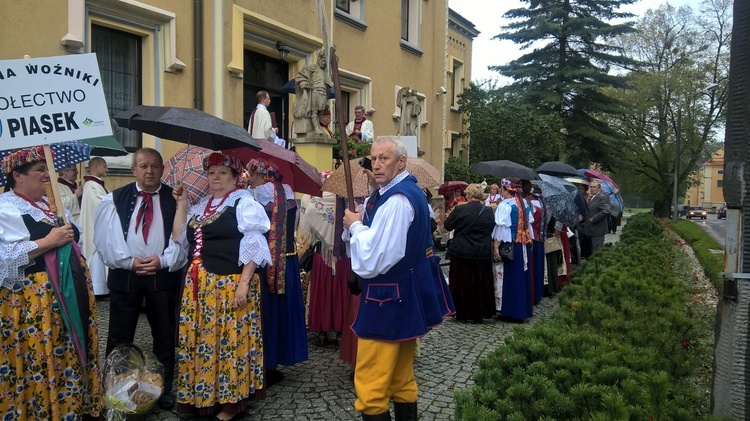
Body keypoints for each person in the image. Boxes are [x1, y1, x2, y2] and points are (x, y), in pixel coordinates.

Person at [343, 136, 455, 420]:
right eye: (373, 159)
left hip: (386, 299)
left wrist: (356, 227)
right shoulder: (400, 192)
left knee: (371, 388)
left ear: (402, 162)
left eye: (384, 159)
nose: (376, 165)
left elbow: (376, 257)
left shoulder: (397, 200)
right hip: (404, 294)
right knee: (401, 379)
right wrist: (368, 199)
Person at [0, 146, 102, 420]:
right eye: (39, 170)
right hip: (35, 302)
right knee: (43, 355)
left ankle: (71, 407)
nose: (47, 175)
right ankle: (44, 411)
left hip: (69, 292)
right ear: (17, 177)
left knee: (65, 352)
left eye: (48, 169)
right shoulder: (5, 209)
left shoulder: (49, 204)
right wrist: (48, 242)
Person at [172, 152, 271, 420]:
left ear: (236, 178)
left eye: (222, 173)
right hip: (200, 287)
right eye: (211, 173)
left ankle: (230, 402)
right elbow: (180, 238)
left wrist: (243, 285)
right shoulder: (201, 205)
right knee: (203, 341)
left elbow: (255, 244)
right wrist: (182, 203)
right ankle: (204, 395)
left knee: (229, 343)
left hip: (230, 284)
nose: (215, 178)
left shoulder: (244, 203)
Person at [93, 148, 185, 410]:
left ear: (162, 170)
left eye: (155, 166)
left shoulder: (175, 198)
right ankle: (116, 386)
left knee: (165, 334)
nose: (149, 171)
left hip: (162, 275)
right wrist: (129, 262)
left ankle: (162, 388)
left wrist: (163, 260)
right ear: (133, 170)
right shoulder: (114, 198)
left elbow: (182, 240)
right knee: (120, 335)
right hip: (126, 276)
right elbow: (104, 239)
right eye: (143, 166)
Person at [247, 159, 309, 385]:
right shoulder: (289, 194)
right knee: (284, 312)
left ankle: (263, 362)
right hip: (288, 262)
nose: (249, 178)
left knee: (266, 312)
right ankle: (278, 359)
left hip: (262, 266)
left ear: (263, 176)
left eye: (252, 174)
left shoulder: (254, 197)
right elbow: (293, 228)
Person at [443, 183, 496, 323]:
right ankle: (480, 312)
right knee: (480, 283)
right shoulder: (488, 211)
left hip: (462, 250)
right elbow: (491, 227)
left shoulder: (460, 209)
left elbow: (448, 225)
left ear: (468, 195)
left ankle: (461, 311)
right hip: (481, 251)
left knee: (461, 282)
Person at [492, 178, 534, 322]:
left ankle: (511, 311)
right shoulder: (524, 204)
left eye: (502, 189)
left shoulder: (505, 205)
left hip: (511, 245)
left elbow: (502, 227)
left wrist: (496, 246)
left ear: (506, 190)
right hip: (523, 245)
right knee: (521, 276)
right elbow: (529, 227)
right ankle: (522, 309)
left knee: (509, 277)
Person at [79, 156, 109, 296]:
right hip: (94, 226)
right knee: (96, 254)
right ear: (95, 167)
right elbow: (98, 204)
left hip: (102, 225)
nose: (107, 169)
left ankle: (102, 288)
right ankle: (97, 289)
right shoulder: (91, 185)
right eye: (104, 166)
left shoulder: (98, 184)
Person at [293, 50, 333, 137]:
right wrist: (303, 83)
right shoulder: (313, 67)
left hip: (323, 93)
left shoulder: (325, 72)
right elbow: (302, 75)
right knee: (314, 110)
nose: (324, 63)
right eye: (323, 60)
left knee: (320, 111)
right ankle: (315, 128)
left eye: (325, 62)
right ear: (319, 59)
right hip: (315, 91)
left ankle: (317, 126)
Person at [583, 180, 611, 252]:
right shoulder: (592, 197)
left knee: (597, 250)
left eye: (594, 187)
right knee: (591, 250)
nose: (592, 189)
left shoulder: (601, 197)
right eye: (591, 187)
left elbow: (606, 210)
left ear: (599, 188)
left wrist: (594, 219)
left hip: (598, 229)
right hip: (590, 230)